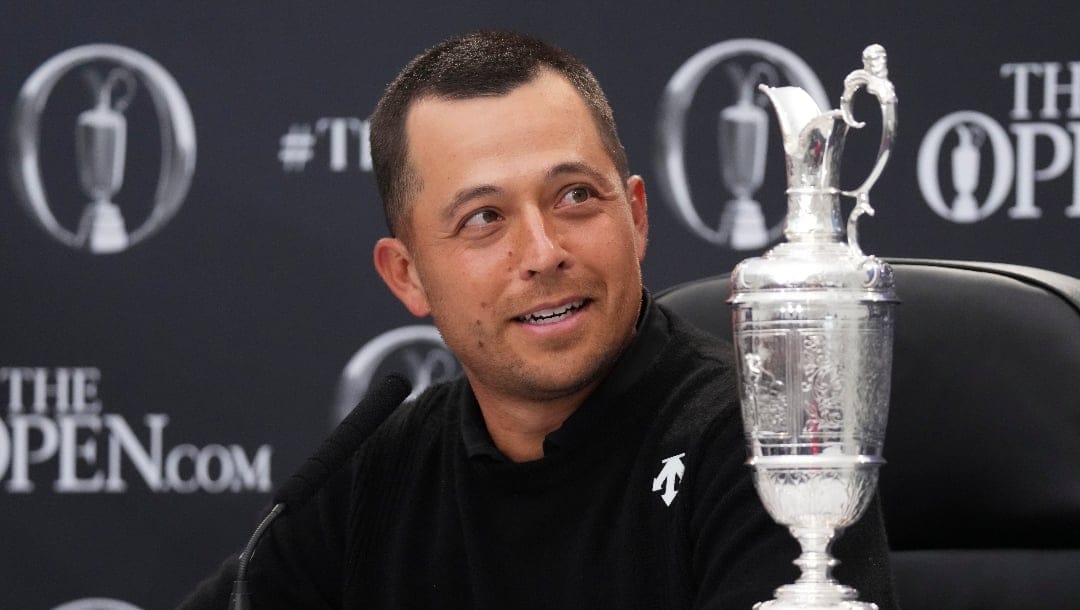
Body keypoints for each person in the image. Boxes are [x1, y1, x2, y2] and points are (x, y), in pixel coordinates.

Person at [180, 30, 896, 609]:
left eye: (576, 197)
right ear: (408, 275)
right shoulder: (373, 475)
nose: (544, 252)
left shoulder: (763, 449)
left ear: (637, 215)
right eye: (484, 218)